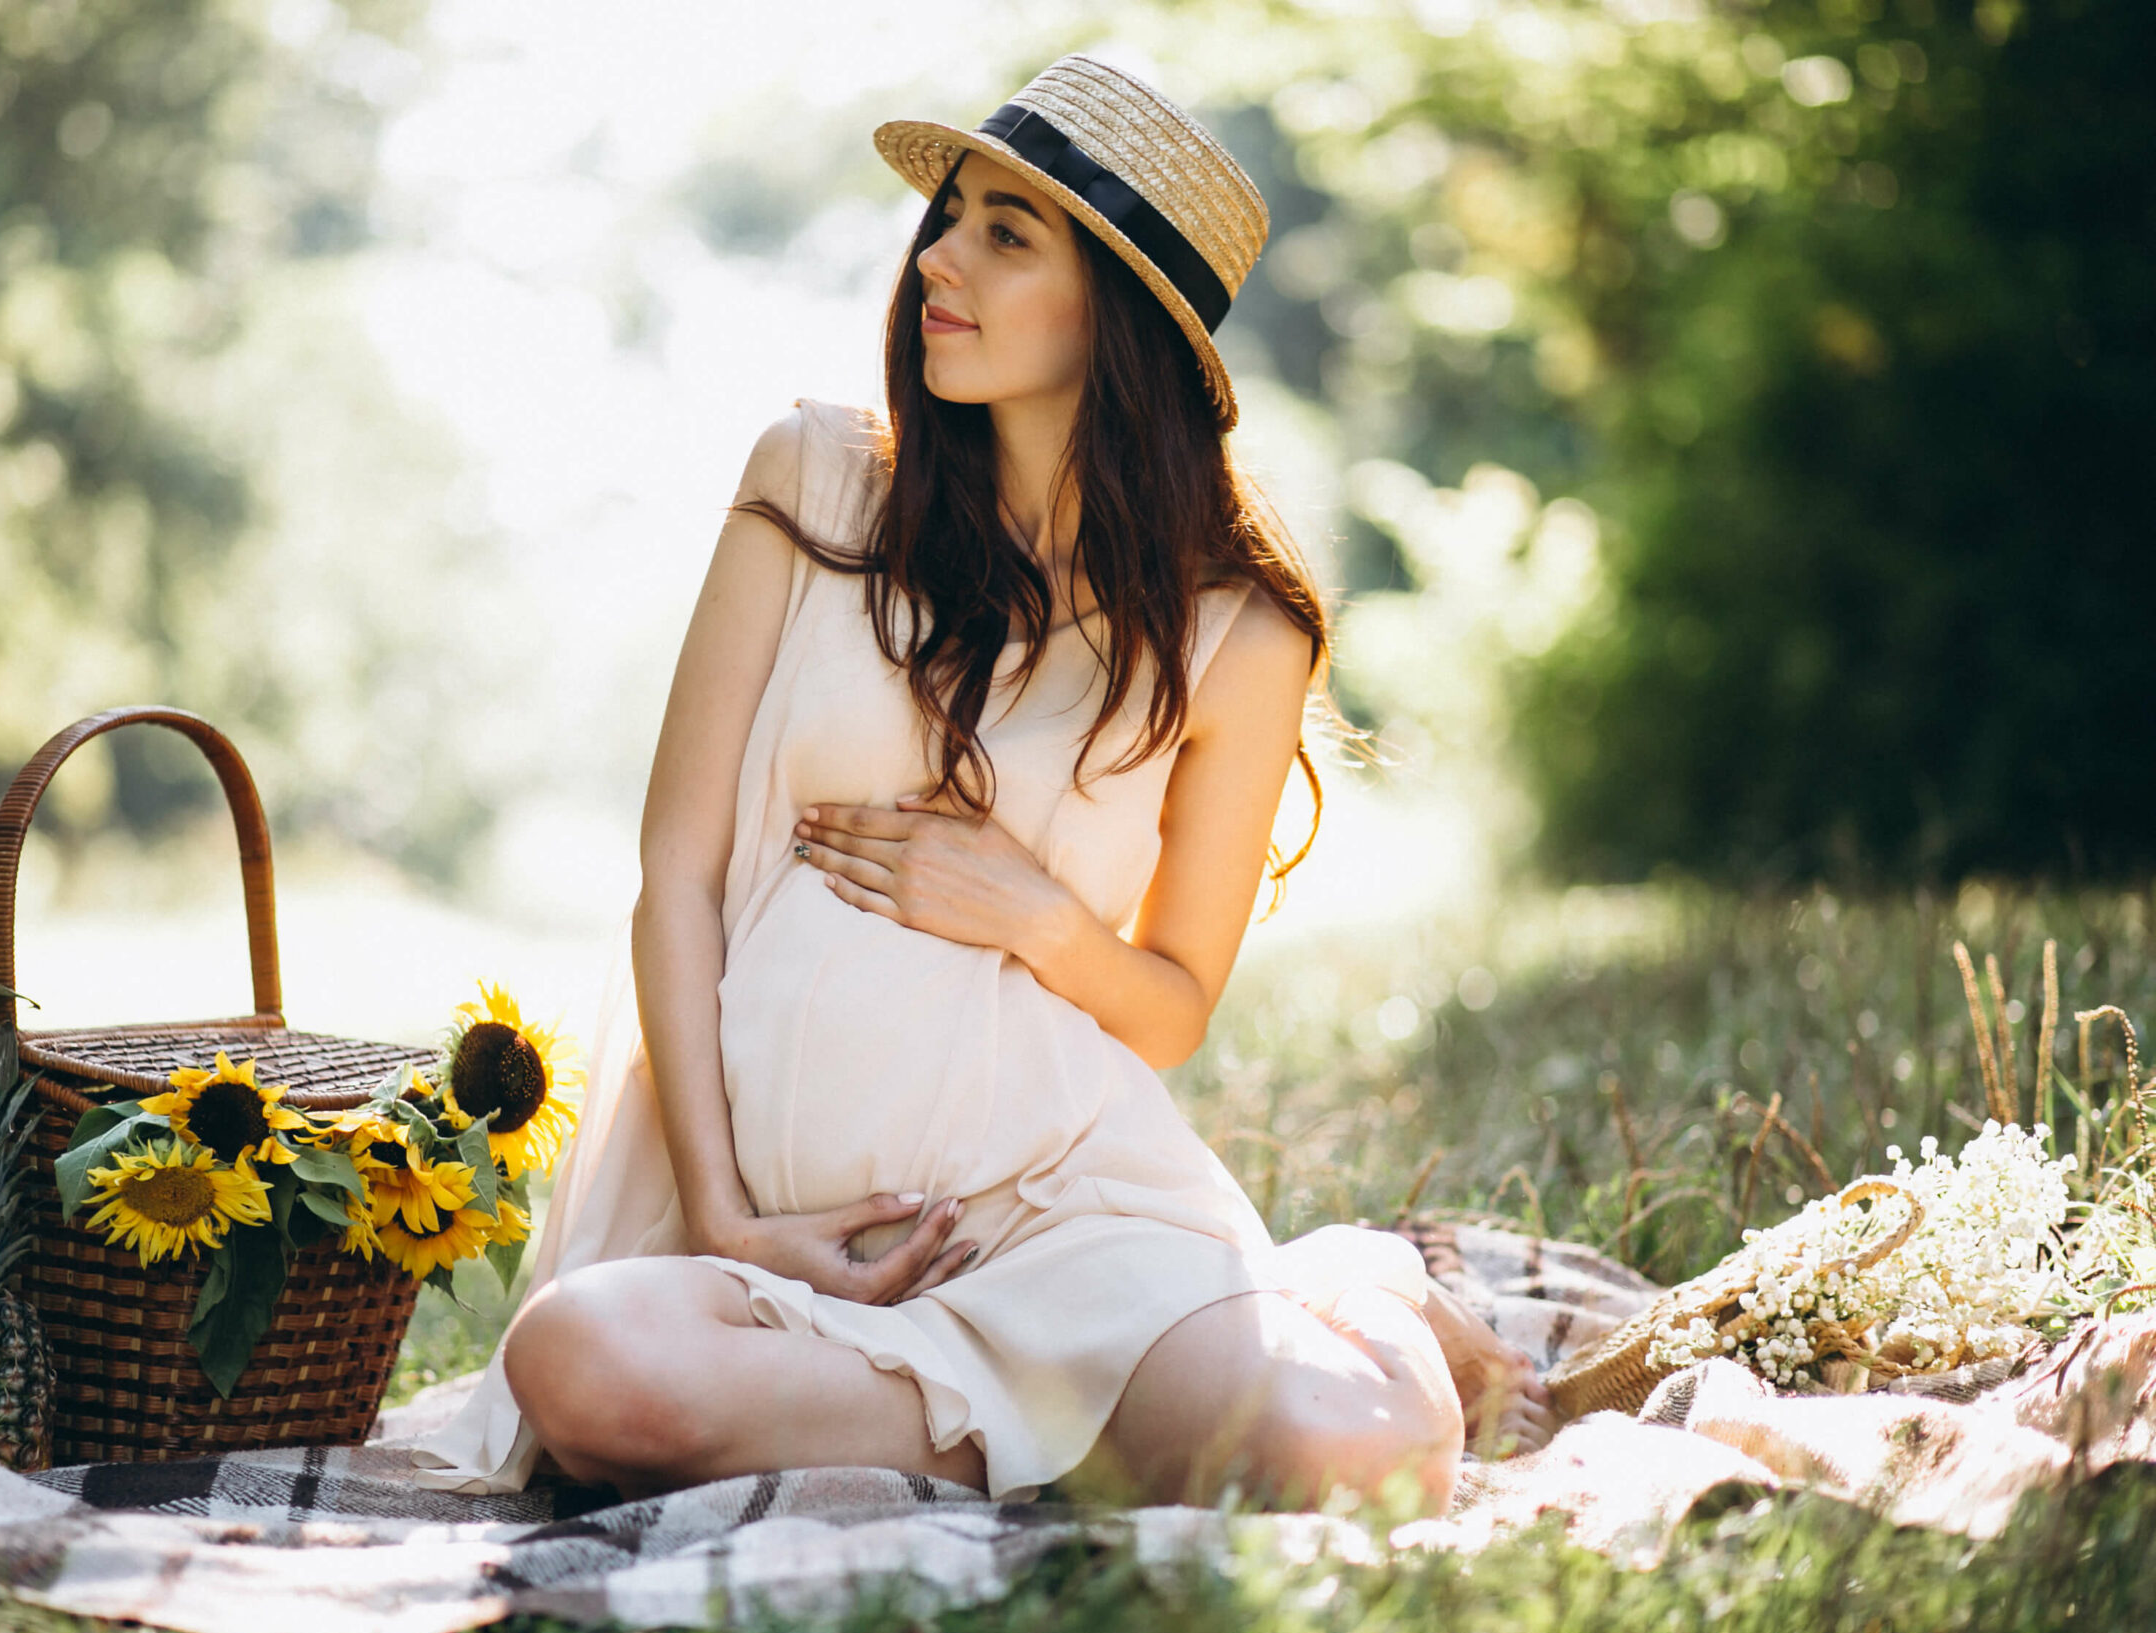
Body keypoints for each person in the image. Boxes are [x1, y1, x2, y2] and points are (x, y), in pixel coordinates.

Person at [405, 55, 1552, 1512]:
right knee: (581, 1362)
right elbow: (678, 875)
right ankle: (1050, 1434)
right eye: (952, 215)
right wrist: (728, 1216)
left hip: (1062, 1215)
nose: (938, 256)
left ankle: (1308, 1295)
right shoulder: (815, 480)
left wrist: (1033, 915)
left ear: (1118, 317)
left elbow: (1174, 1003)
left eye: (1008, 233)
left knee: (1359, 1448)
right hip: (762, 1229)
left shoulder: (1234, 631)